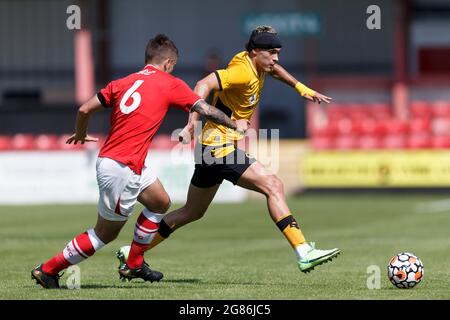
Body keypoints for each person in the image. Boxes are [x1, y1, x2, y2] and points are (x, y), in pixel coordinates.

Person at [117, 25, 340, 276]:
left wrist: (302, 89)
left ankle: (133, 251)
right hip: (217, 147)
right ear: (256, 52)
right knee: (273, 185)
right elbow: (203, 83)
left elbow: (275, 69)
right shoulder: (241, 71)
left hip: (208, 149)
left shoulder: (256, 63)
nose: (276, 58)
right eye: (272, 52)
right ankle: (303, 251)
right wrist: (191, 124)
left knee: (192, 211)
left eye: (278, 52)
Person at [31, 34, 247, 289]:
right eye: (173, 66)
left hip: (122, 162)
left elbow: (84, 109)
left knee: (160, 201)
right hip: (122, 167)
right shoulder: (170, 83)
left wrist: (79, 133)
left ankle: (134, 263)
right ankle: (48, 270)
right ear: (168, 63)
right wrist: (235, 124)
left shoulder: (122, 82)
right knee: (106, 233)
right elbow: (205, 109)